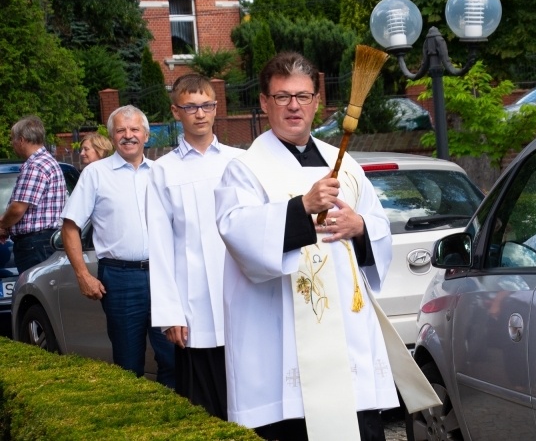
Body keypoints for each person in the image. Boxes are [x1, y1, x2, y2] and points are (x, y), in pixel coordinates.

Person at [215, 52, 438, 440]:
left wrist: (360, 226)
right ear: (265, 103)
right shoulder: (246, 168)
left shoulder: (345, 164)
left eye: (302, 96)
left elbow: (379, 228)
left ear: (317, 102)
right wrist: (301, 207)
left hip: (349, 336)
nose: (294, 106)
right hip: (281, 343)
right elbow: (237, 231)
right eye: (282, 97)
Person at [147, 74, 242, 419]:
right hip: (194, 304)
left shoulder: (239, 161)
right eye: (190, 107)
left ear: (216, 108)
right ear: (176, 111)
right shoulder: (163, 171)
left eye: (206, 105)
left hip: (241, 294)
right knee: (205, 403)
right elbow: (159, 246)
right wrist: (170, 312)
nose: (199, 114)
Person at [61, 105, 175, 388]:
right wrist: (83, 275)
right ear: (112, 137)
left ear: (146, 135)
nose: (128, 136)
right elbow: (70, 226)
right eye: (121, 131)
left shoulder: (162, 173)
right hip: (120, 279)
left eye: (135, 129)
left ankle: (172, 420)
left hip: (164, 276)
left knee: (174, 356)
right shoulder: (95, 174)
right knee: (128, 362)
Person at [0, 116, 67, 274]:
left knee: (34, 292)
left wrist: (2, 225)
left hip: (35, 244)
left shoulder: (35, 165)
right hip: (44, 240)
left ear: (22, 140)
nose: (12, 144)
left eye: (13, 139)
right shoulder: (47, 161)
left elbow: (17, 208)